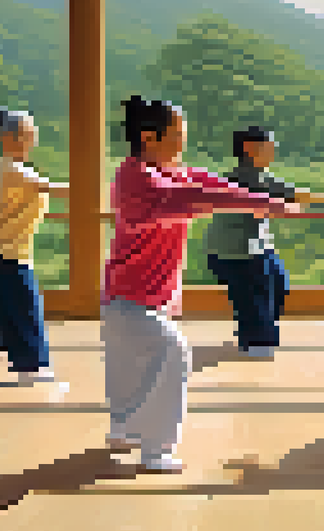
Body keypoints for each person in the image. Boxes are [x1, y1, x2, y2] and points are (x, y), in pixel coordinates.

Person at [103, 96, 300, 473]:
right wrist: (267, 204)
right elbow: (195, 196)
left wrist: (261, 198)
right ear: (149, 137)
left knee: (133, 365)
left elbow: (211, 183)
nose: (182, 143)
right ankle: (156, 451)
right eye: (176, 135)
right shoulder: (137, 178)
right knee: (173, 353)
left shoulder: (172, 171)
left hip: (144, 296)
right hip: (127, 296)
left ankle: (125, 427)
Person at [204, 126, 324, 359]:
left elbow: (290, 193)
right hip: (236, 250)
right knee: (256, 294)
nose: (274, 150)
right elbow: (288, 197)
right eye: (269, 146)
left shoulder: (258, 174)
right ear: (249, 148)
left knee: (277, 281)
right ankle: (258, 345)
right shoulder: (246, 176)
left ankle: (252, 335)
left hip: (254, 246)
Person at [0, 107, 70, 386]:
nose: (34, 139)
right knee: (27, 308)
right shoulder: (13, 169)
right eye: (28, 134)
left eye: (33, 133)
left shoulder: (5, 167)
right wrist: (102, 189)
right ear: (8, 138)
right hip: (6, 252)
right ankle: (33, 368)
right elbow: (52, 188)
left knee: (1, 303)